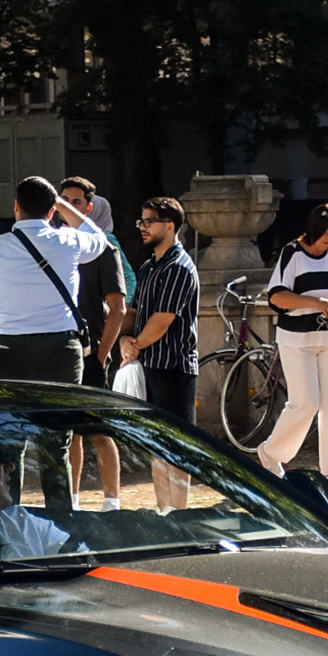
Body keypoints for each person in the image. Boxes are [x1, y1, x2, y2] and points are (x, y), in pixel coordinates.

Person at [0, 175, 108, 508]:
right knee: (57, 444)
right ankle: (61, 521)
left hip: (7, 352)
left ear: (15, 207)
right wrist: (65, 206)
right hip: (60, 351)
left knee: (9, 441)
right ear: (53, 210)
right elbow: (99, 237)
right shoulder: (68, 242)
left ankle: (11, 518)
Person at [254, 203, 328, 483]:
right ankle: (270, 453)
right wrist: (314, 302)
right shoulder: (293, 253)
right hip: (296, 339)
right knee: (305, 403)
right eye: (326, 232)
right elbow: (276, 296)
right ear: (314, 230)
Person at [117, 196, 201, 511]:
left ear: (170, 225)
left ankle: (178, 512)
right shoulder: (149, 266)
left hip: (174, 367)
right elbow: (135, 310)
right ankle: (163, 509)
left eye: (149, 221)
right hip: (148, 364)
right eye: (142, 221)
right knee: (156, 442)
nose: (143, 227)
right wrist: (124, 337)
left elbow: (163, 320)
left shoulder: (180, 266)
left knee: (177, 444)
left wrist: (134, 344)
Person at [57, 176, 130, 507]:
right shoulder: (51, 243)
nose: (69, 207)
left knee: (99, 431)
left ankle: (112, 502)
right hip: (60, 348)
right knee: (67, 430)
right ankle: (70, 499)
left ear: (88, 207)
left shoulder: (104, 247)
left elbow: (118, 308)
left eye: (76, 201)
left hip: (93, 349)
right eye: (64, 200)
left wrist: (101, 355)